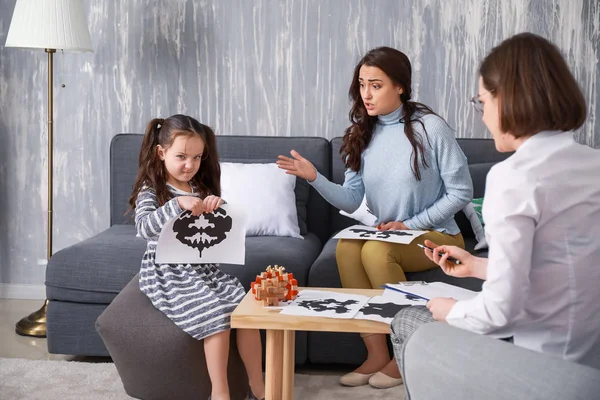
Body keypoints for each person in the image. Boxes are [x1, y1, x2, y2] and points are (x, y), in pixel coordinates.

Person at [391, 32, 600, 383]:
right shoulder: (593, 164)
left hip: (548, 371)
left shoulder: (513, 177)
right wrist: (479, 266)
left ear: (506, 100)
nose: (483, 118)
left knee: (408, 322)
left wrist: (451, 310)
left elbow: (500, 313)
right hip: (590, 364)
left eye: (482, 103)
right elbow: (568, 268)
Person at [277, 47, 473, 389]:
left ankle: (406, 354)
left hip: (437, 233)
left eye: (376, 85)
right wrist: (314, 177)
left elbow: (460, 192)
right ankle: (377, 354)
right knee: (346, 247)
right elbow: (352, 198)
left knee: (375, 251)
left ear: (400, 86)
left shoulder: (431, 128)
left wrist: (409, 225)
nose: (366, 94)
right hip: (393, 235)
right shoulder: (363, 133)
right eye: (362, 84)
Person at [129, 114, 265, 400]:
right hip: (168, 275)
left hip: (206, 271)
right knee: (215, 315)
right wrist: (177, 204)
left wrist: (218, 205)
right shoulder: (152, 191)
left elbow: (218, 232)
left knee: (245, 313)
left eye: (197, 157)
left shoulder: (199, 189)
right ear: (161, 152)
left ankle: (258, 384)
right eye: (181, 156)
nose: (189, 165)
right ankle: (220, 392)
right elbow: (144, 229)